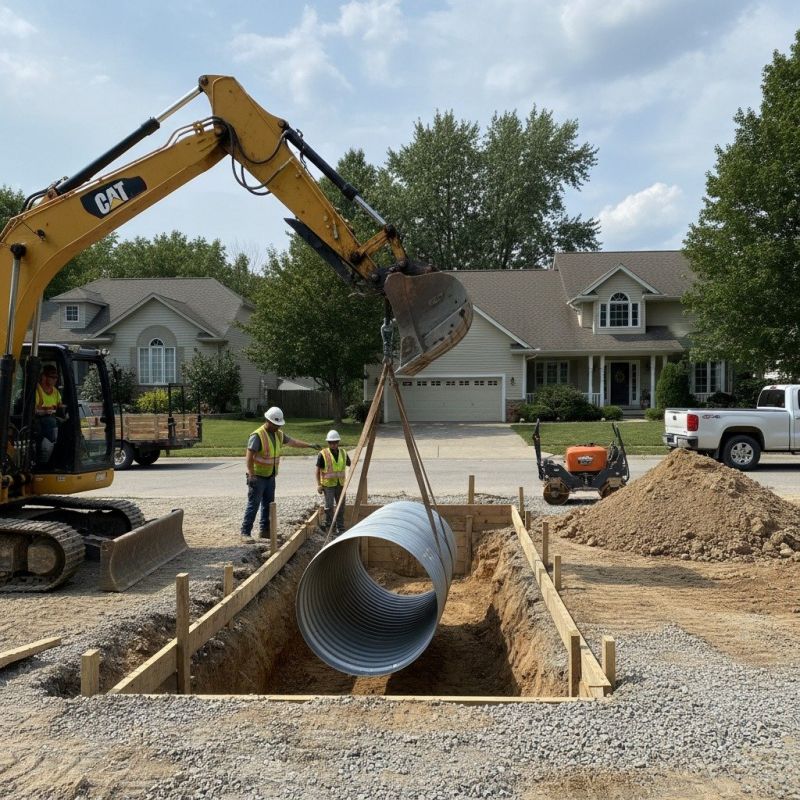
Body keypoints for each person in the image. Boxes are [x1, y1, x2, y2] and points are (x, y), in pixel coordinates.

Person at [241, 406, 318, 540]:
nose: (277, 427)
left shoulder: (278, 434)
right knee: (254, 504)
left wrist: (309, 445)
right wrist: (251, 474)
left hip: (270, 476)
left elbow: (293, 442)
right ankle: (245, 533)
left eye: (279, 424)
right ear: (268, 421)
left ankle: (265, 532)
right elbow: (249, 456)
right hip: (258, 477)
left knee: (269, 505)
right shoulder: (257, 435)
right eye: (275, 424)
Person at [316, 429, 351, 534]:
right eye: (331, 443)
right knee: (329, 506)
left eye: (335, 442)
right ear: (328, 443)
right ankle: (330, 526)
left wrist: (348, 477)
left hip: (340, 484)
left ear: (338, 442)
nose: (333, 444)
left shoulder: (343, 453)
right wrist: (318, 485)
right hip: (328, 485)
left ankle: (341, 528)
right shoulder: (323, 454)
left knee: (341, 506)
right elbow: (317, 471)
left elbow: (350, 465)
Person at [35, 364, 64, 462]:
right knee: (50, 422)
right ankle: (44, 459)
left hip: (52, 418)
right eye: (52, 377)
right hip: (38, 419)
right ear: (44, 377)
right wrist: (46, 411)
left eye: (56, 377)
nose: (55, 380)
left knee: (67, 424)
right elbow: (34, 410)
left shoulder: (55, 391)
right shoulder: (37, 390)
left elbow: (60, 405)